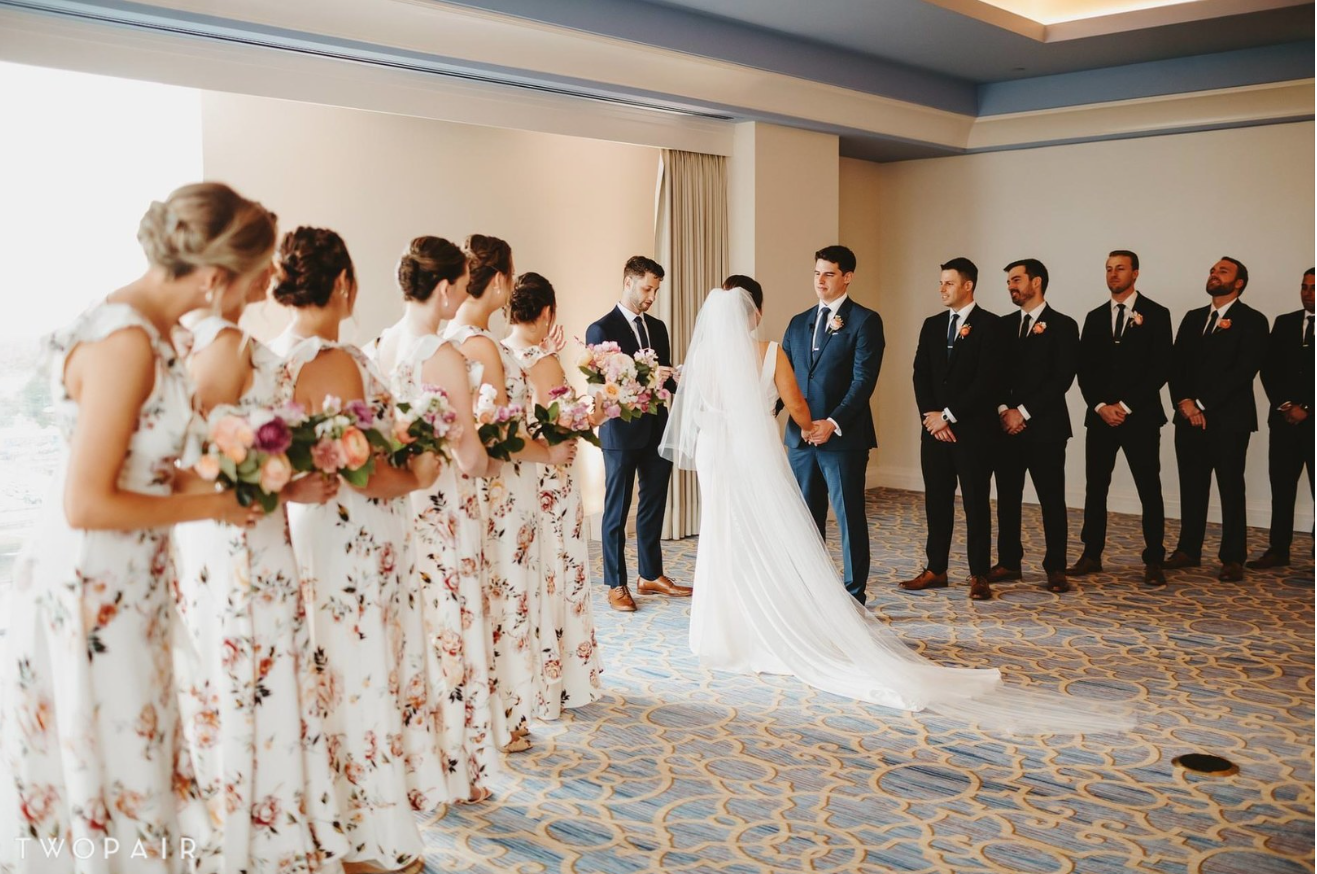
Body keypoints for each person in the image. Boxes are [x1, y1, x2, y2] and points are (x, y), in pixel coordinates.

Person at [659, 284, 1131, 733]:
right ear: (754, 315)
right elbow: (795, 400)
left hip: (714, 450)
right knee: (763, 530)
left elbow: (691, 407)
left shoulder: (701, 360)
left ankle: (721, 630)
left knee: (721, 531)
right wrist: (808, 424)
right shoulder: (769, 351)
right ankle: (768, 622)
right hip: (752, 449)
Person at [0, 183, 269, 870]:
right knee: (120, 754)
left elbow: (145, 469)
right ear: (214, 277)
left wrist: (239, 482)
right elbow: (86, 503)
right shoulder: (125, 341)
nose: (256, 292)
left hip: (129, 575)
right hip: (92, 580)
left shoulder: (154, 332)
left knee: (139, 754)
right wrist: (214, 507)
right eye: (251, 277)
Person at [270, 227, 444, 874]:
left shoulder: (274, 353)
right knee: (360, 673)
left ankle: (337, 827)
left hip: (313, 531)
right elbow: (362, 471)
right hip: (351, 537)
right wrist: (419, 474)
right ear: (343, 282)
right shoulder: (334, 360)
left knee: (331, 674)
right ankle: (368, 842)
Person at [173, 251, 348, 868]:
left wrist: (291, 474)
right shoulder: (222, 343)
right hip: (241, 537)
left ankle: (283, 825)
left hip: (258, 531)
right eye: (260, 258)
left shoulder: (220, 337)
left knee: (268, 670)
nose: (269, 274)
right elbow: (202, 459)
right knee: (253, 668)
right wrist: (285, 485)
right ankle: (259, 837)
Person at [373, 235, 507, 803]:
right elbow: (470, 456)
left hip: (399, 503)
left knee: (413, 635)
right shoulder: (443, 355)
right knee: (452, 631)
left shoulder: (381, 344)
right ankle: (456, 772)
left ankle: (413, 769)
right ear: (447, 288)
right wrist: (496, 460)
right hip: (444, 508)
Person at [444, 234, 576, 752]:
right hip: (504, 491)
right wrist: (549, 452)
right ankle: (506, 720)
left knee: (490, 600)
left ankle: (493, 716)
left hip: (479, 489)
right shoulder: (482, 345)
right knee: (509, 598)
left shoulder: (450, 337)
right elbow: (500, 433)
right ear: (499, 280)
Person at [503, 272, 604, 719]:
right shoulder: (543, 362)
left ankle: (529, 677)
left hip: (517, 476)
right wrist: (597, 412)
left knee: (532, 571)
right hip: (552, 477)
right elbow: (563, 422)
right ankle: (561, 679)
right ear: (547, 312)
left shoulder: (499, 353)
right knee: (560, 569)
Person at [779, 245, 884, 603]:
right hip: (801, 439)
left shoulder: (866, 321)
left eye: (829, 274)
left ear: (847, 277)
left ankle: (854, 596)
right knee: (807, 520)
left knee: (849, 516)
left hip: (843, 438)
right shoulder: (798, 322)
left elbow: (863, 381)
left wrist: (832, 422)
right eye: (816, 273)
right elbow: (785, 380)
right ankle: (814, 593)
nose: (820, 280)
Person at [586, 256, 688, 612]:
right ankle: (616, 583)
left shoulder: (658, 327)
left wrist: (683, 377)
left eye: (655, 290)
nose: (651, 297)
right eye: (647, 289)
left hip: (657, 427)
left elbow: (667, 380)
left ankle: (651, 574)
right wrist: (647, 378)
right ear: (628, 282)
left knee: (653, 504)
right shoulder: (600, 329)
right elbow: (604, 386)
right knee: (616, 511)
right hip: (620, 431)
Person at [900, 258, 1002, 601]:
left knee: (975, 502)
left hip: (973, 433)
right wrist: (931, 416)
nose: (942, 289)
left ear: (968, 285)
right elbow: (920, 373)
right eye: (941, 282)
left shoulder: (990, 325)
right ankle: (936, 568)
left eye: (949, 283)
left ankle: (979, 574)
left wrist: (949, 415)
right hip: (934, 432)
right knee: (937, 500)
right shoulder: (932, 325)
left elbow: (988, 381)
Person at [1072, 250, 1173, 586]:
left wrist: (1126, 406)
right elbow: (1084, 368)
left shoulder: (1156, 314)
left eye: (1120, 268)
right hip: (1101, 418)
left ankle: (1154, 558)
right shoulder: (1094, 317)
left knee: (1149, 487)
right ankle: (1091, 554)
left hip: (1140, 417)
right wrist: (1100, 405)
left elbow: (1161, 367)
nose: (1113, 274)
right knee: (1095, 486)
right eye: (1108, 269)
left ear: (1136, 273)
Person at [1165, 257, 1269, 582]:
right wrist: (1184, 402)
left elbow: (1244, 370)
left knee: (1230, 487)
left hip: (1229, 420)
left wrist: (1202, 404)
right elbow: (1175, 364)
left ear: (1238, 283)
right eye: (1212, 270)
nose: (1214, 274)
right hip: (1187, 417)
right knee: (1191, 484)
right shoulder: (1193, 317)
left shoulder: (1253, 320)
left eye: (1222, 271)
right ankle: (1188, 549)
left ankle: (1233, 556)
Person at [988, 259, 1080, 595]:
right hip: (1005, 427)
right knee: (1007, 498)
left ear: (1036, 282)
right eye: (1008, 281)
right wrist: (1004, 410)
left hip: (1046, 428)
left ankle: (1055, 567)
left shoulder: (1064, 325)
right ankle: (1009, 561)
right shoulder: (1002, 326)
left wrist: (1023, 413)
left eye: (1016, 279)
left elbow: (1062, 378)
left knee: (1051, 499)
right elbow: (992, 374)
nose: (1010, 286)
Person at [1248, 267, 1315, 569]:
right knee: (1282, 486)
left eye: (1313, 287)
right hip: (1284, 421)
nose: (1307, 293)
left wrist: (1308, 408)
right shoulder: (1284, 322)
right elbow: (1268, 367)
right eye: (1304, 287)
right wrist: (1286, 405)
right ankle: (1278, 549)